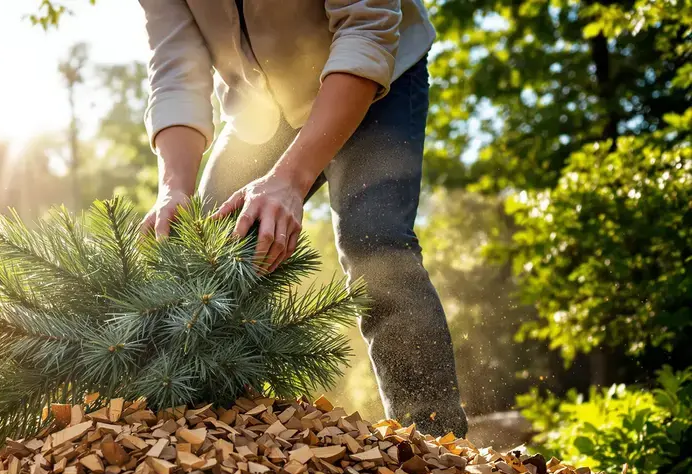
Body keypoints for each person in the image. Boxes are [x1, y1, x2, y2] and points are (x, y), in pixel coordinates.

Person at [138, 0, 467, 437]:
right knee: (209, 257)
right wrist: (173, 187)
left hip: (370, 74)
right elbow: (176, 66)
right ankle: (225, 439)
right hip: (261, 109)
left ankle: (434, 444)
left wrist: (289, 179)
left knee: (374, 240)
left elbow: (366, 27)